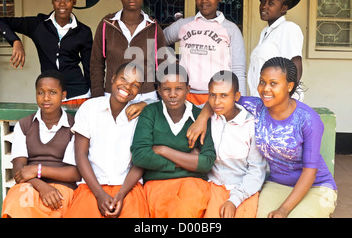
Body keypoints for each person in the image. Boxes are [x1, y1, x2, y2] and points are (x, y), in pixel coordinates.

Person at [240, 57, 337, 218]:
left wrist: (283, 210)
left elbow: (310, 172)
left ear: (289, 86)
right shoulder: (257, 107)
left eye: (273, 83)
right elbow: (223, 98)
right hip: (277, 184)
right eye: (262, 82)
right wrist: (201, 120)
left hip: (316, 186)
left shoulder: (307, 119)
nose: (265, 89)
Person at [64, 62, 149, 218]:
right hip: (92, 186)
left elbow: (140, 162)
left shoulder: (142, 117)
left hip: (128, 187)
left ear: (139, 91)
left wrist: (121, 194)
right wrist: (99, 194)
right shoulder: (90, 108)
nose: (127, 86)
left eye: (135, 84)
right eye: (123, 79)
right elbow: (80, 155)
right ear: (112, 78)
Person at [130, 63, 216, 218]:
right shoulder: (151, 113)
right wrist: (189, 159)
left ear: (188, 89)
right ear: (159, 91)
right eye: (166, 89)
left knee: (184, 211)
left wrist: (163, 150)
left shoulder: (199, 118)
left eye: (179, 88)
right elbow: (140, 156)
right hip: (157, 183)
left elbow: (207, 162)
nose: (173, 94)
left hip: (193, 183)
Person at [0, 0, 93, 105]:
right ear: (52, 0)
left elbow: (89, 67)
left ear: (74, 1)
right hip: (50, 96)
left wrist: (96, 98)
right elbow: (0, 21)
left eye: (68, 0)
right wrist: (16, 41)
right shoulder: (38, 25)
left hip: (79, 95)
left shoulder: (83, 31)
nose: (62, 4)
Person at [1, 70, 81, 218]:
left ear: (63, 95)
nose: (46, 98)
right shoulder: (24, 125)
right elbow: (19, 171)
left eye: (52, 92)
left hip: (64, 187)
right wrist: (41, 186)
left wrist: (37, 170)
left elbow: (75, 173)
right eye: (40, 92)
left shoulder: (75, 126)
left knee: (56, 206)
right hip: (30, 185)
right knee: (17, 202)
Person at [90, 0, 168, 120]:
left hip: (145, 97)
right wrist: (98, 96)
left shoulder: (153, 27)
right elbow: (96, 63)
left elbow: (162, 65)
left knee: (142, 139)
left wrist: (159, 97)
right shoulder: (107, 24)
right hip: (112, 94)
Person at [163, 0, 246, 106]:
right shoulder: (184, 25)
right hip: (186, 96)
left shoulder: (231, 29)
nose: (204, 1)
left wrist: (240, 103)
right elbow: (158, 40)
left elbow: (238, 70)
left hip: (219, 97)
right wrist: (172, 62)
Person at [204, 71, 266, 218]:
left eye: (224, 95)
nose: (217, 101)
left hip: (244, 189)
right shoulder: (208, 118)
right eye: (213, 95)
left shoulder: (251, 125)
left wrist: (234, 200)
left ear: (236, 97)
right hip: (213, 186)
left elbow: (256, 170)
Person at [247, 0, 304, 100]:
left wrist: (286, 98)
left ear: (284, 8)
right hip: (264, 100)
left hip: (279, 103)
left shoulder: (288, 28)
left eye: (271, 3)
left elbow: (296, 63)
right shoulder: (265, 32)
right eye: (263, 2)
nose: (264, 6)